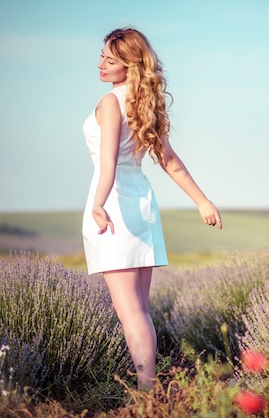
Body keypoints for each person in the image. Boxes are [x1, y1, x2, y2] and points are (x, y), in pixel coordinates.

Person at [81, 27, 222, 391]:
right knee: (139, 310)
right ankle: (149, 388)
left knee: (130, 312)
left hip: (114, 204)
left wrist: (97, 204)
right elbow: (169, 160)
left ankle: (146, 393)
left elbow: (109, 163)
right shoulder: (144, 103)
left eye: (110, 60)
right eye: (102, 56)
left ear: (129, 65)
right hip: (141, 202)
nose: (100, 64)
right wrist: (201, 200)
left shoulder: (111, 102)